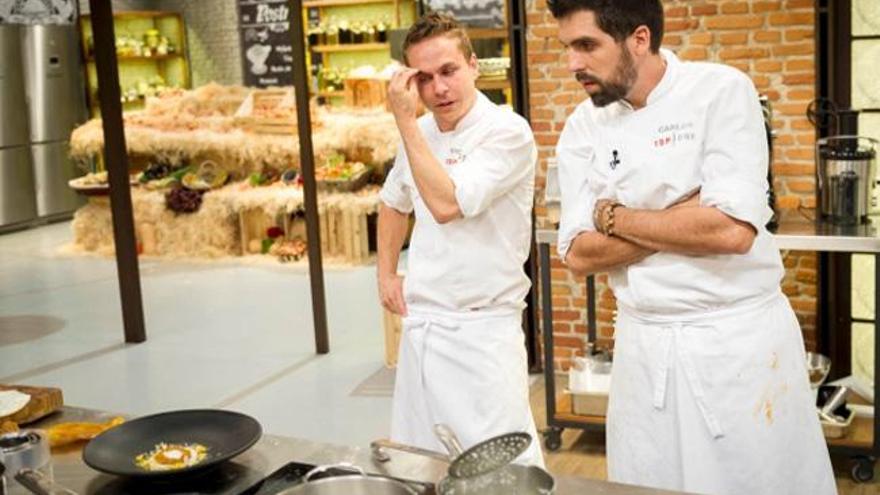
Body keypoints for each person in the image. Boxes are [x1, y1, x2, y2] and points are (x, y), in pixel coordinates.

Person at [549, 0, 836, 493]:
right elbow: (578, 254)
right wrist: (685, 214)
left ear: (639, 39)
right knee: (648, 482)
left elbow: (731, 232)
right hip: (644, 347)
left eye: (586, 45)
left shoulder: (720, 92)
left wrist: (615, 217)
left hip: (736, 347)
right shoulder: (583, 126)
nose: (572, 63)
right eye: (567, 47)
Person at [376, 12, 543, 466]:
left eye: (448, 71)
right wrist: (386, 272)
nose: (439, 90)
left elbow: (447, 206)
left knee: (501, 466)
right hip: (424, 326)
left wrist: (406, 123)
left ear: (473, 65)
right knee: (420, 462)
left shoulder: (507, 131)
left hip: (482, 331)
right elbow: (393, 202)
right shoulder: (423, 132)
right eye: (424, 79)